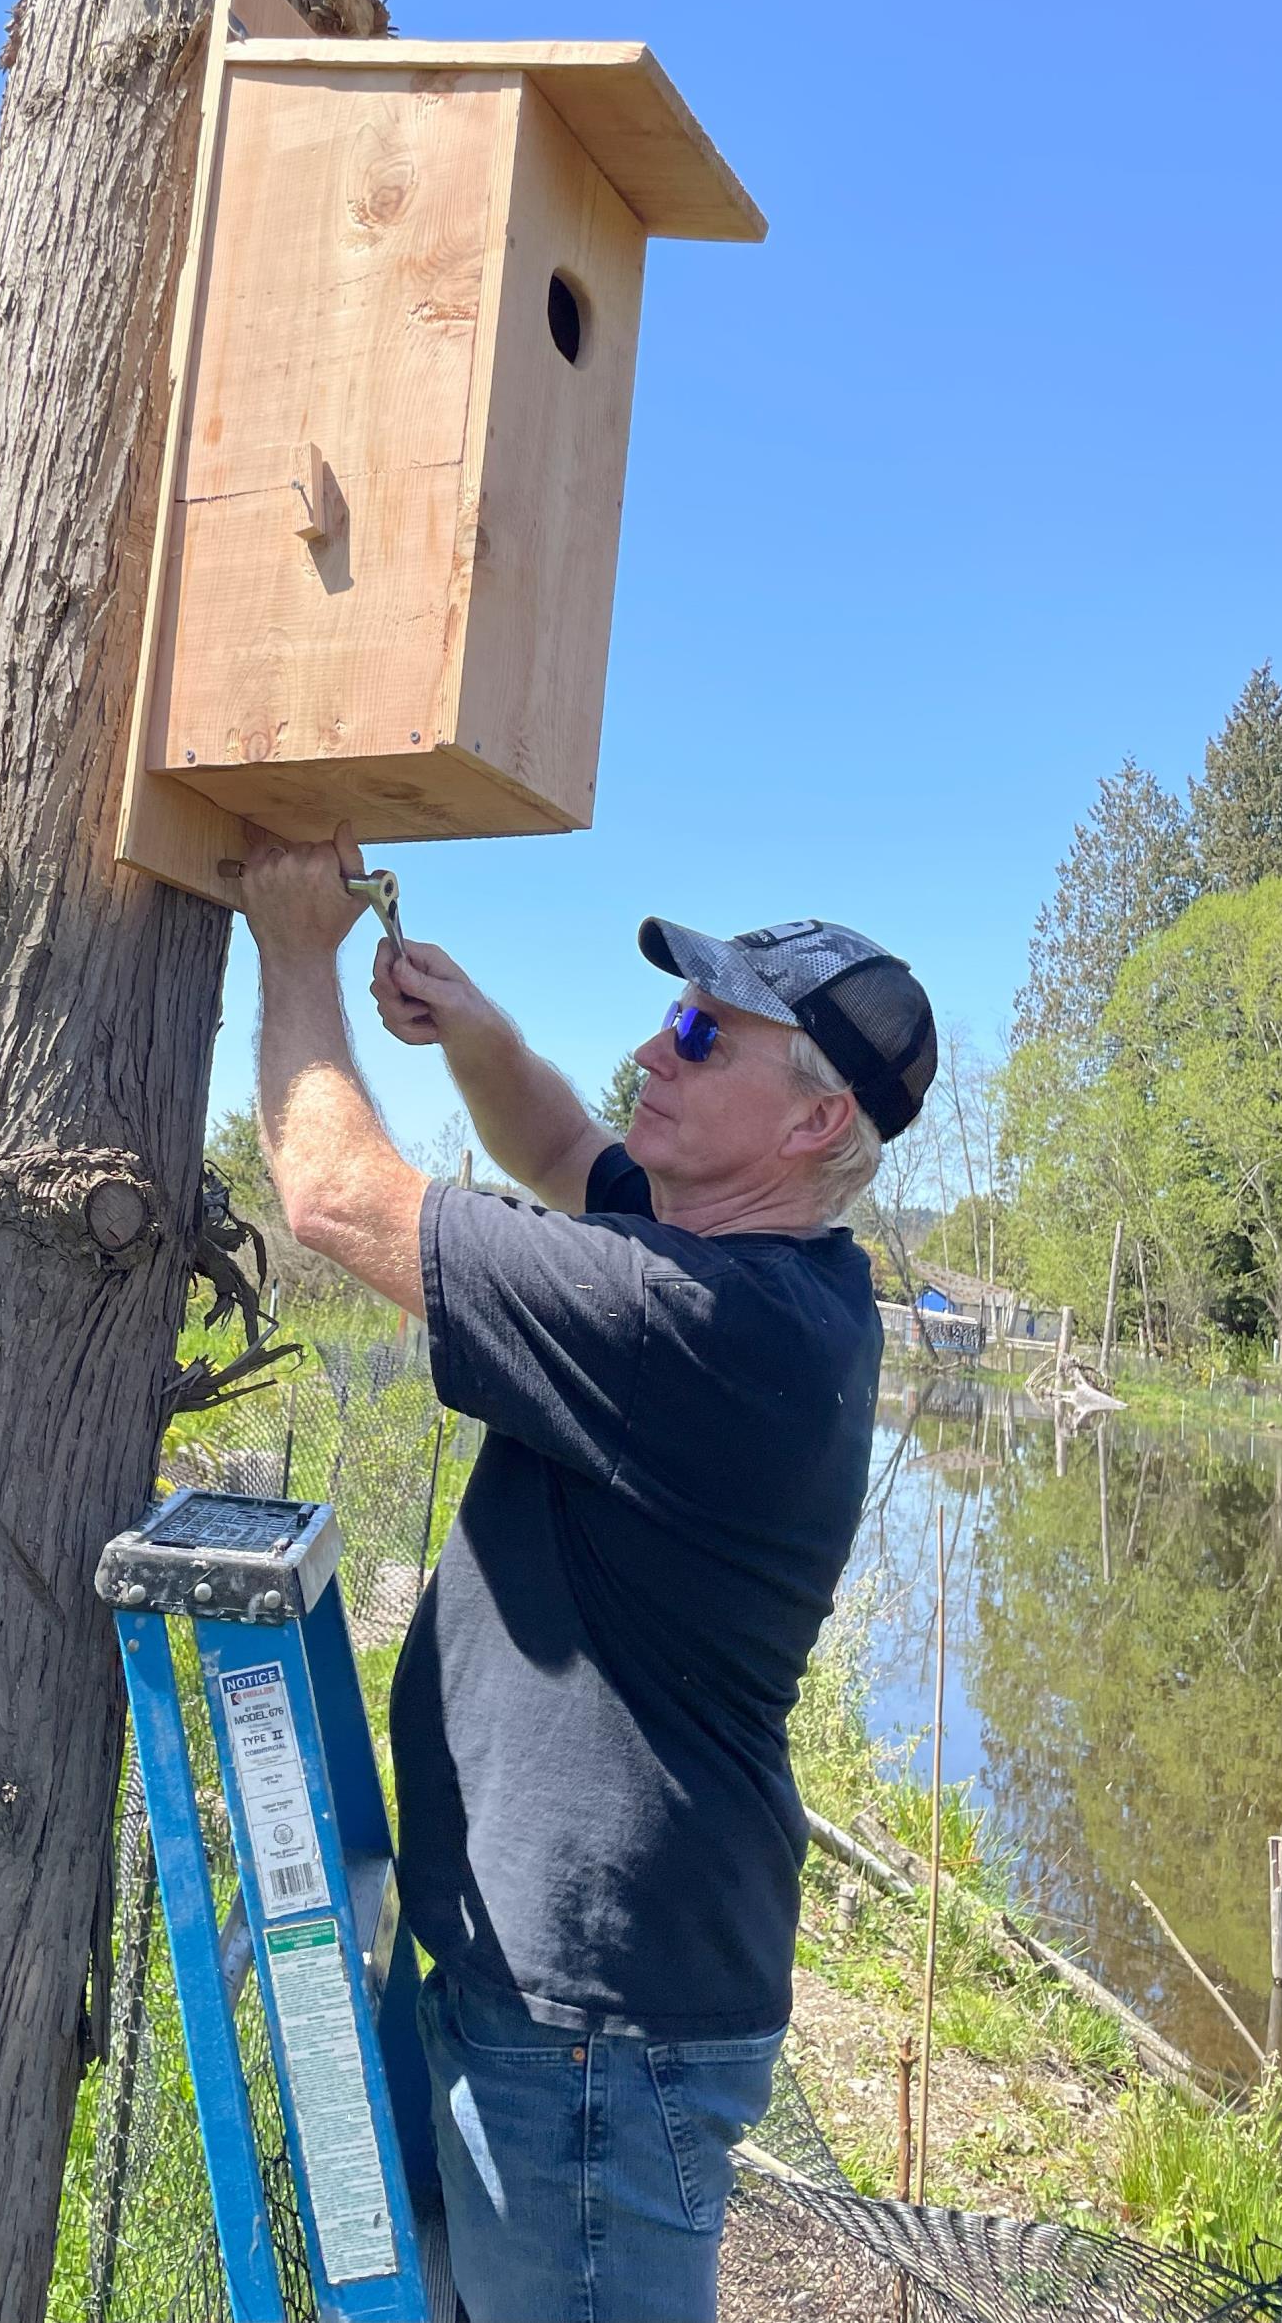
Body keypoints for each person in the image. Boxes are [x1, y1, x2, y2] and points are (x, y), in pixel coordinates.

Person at [235, 823, 937, 2323]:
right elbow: (561, 1149)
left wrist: (291, 951)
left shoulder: (704, 1325)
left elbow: (335, 1196)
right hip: (577, 2008)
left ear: (815, 1124)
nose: (653, 1046)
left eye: (702, 1030)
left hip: (594, 2040)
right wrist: (480, 1030)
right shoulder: (758, 1270)